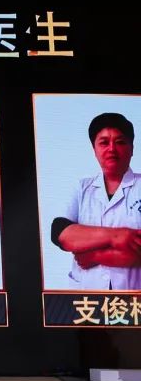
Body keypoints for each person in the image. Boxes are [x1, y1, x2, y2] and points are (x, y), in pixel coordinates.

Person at [52, 113, 141, 290]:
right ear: (94, 149)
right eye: (104, 142)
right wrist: (119, 236)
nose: (112, 149)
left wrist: (96, 256)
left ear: (132, 148)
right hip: (87, 298)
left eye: (120, 142)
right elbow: (61, 233)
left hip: (134, 297)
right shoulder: (82, 187)